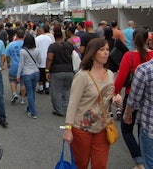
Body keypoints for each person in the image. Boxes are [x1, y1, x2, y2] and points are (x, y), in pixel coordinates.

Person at [63, 38, 122, 169]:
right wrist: (68, 129)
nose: (106, 53)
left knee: (100, 165)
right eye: (102, 50)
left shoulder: (110, 74)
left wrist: (115, 100)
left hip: (103, 127)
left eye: (107, 49)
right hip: (82, 129)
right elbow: (73, 103)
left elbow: (106, 97)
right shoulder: (82, 76)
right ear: (93, 53)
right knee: (81, 165)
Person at [114, 28, 153, 169]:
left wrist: (115, 93)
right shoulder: (152, 55)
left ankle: (139, 161)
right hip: (148, 99)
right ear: (148, 40)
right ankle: (146, 158)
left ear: (134, 39)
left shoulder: (128, 56)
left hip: (132, 96)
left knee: (126, 129)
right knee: (143, 130)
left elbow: (121, 78)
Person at [123, 58, 153, 169]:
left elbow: (133, 99)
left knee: (149, 163)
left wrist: (127, 114)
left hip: (149, 127)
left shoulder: (145, 69)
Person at [46, 26, 74, 117]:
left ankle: (59, 110)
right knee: (67, 90)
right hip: (69, 70)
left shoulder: (52, 46)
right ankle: (66, 109)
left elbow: (49, 59)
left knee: (56, 91)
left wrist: (47, 70)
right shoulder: (69, 45)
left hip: (57, 71)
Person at [17, 34, 41, 119]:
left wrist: (18, 75)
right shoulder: (37, 50)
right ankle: (29, 108)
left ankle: (33, 112)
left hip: (27, 73)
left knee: (30, 92)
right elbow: (40, 61)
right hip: (36, 72)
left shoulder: (23, 51)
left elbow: (21, 64)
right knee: (32, 91)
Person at [5, 28, 26, 104]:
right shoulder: (26, 44)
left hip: (14, 65)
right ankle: (23, 99)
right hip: (24, 67)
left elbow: (7, 55)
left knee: (12, 80)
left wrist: (8, 63)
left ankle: (14, 93)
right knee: (23, 83)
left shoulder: (11, 44)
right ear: (24, 36)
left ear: (16, 36)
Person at [35, 25, 53, 94]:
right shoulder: (49, 38)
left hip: (40, 59)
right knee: (47, 72)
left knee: (41, 75)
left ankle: (41, 88)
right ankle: (47, 86)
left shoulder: (37, 39)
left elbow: (36, 49)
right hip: (48, 58)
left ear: (39, 31)